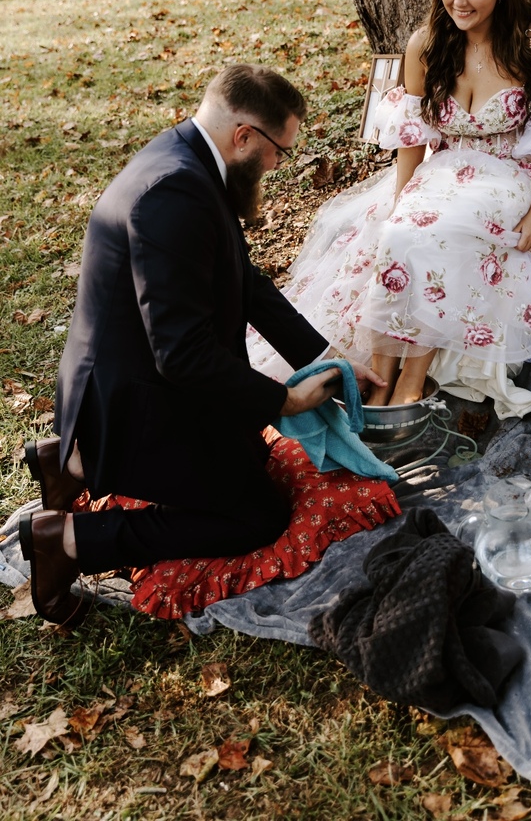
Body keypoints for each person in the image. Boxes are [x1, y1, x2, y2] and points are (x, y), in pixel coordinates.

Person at [21, 63, 384, 626]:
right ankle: (66, 539)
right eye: (279, 152)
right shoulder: (175, 193)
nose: (277, 166)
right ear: (244, 136)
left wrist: (325, 359)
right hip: (134, 398)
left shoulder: (187, 160)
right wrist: (284, 401)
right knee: (257, 514)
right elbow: (182, 354)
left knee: (251, 459)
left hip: (149, 377)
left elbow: (245, 282)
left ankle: (68, 463)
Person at [248, 0, 531, 417]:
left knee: (446, 231)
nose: (458, 1)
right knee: (400, 231)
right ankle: (381, 380)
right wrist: (400, 198)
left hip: (510, 171)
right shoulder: (426, 43)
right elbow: (411, 137)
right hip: (442, 169)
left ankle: (412, 380)